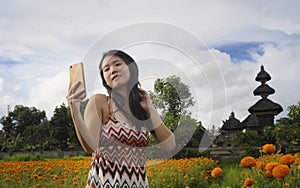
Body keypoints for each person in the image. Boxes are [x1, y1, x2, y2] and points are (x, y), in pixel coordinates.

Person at [67, 50, 175, 188]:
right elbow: (90, 146)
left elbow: (169, 145)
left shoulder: (141, 109)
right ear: (105, 79)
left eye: (117, 64)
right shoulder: (100, 102)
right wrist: (75, 109)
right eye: (106, 69)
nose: (112, 70)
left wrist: (150, 109)